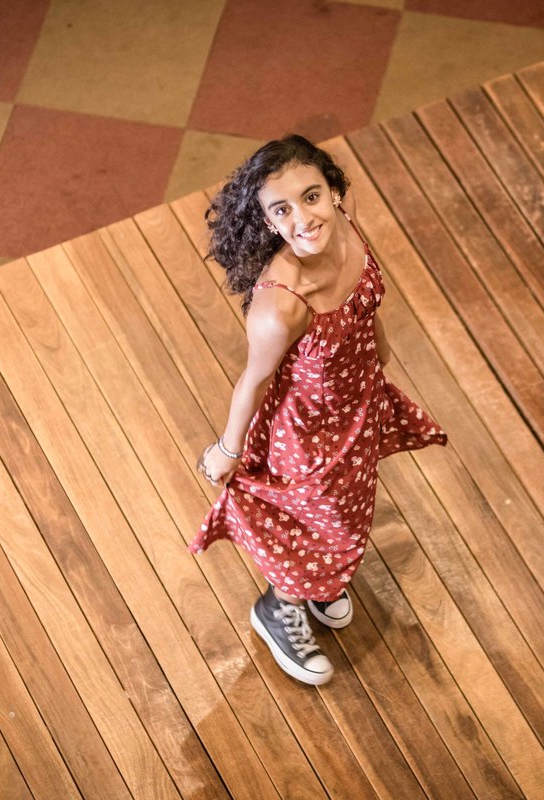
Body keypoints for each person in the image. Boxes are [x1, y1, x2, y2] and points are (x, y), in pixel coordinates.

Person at [191, 134, 447, 686]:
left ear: (335, 193)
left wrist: (377, 353)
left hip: (356, 407)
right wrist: (227, 451)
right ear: (267, 223)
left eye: (311, 196)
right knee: (320, 525)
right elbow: (254, 381)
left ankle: (319, 585)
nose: (303, 218)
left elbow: (365, 303)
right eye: (281, 209)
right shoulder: (280, 305)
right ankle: (280, 607)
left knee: (352, 510)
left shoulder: (351, 232)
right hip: (305, 435)